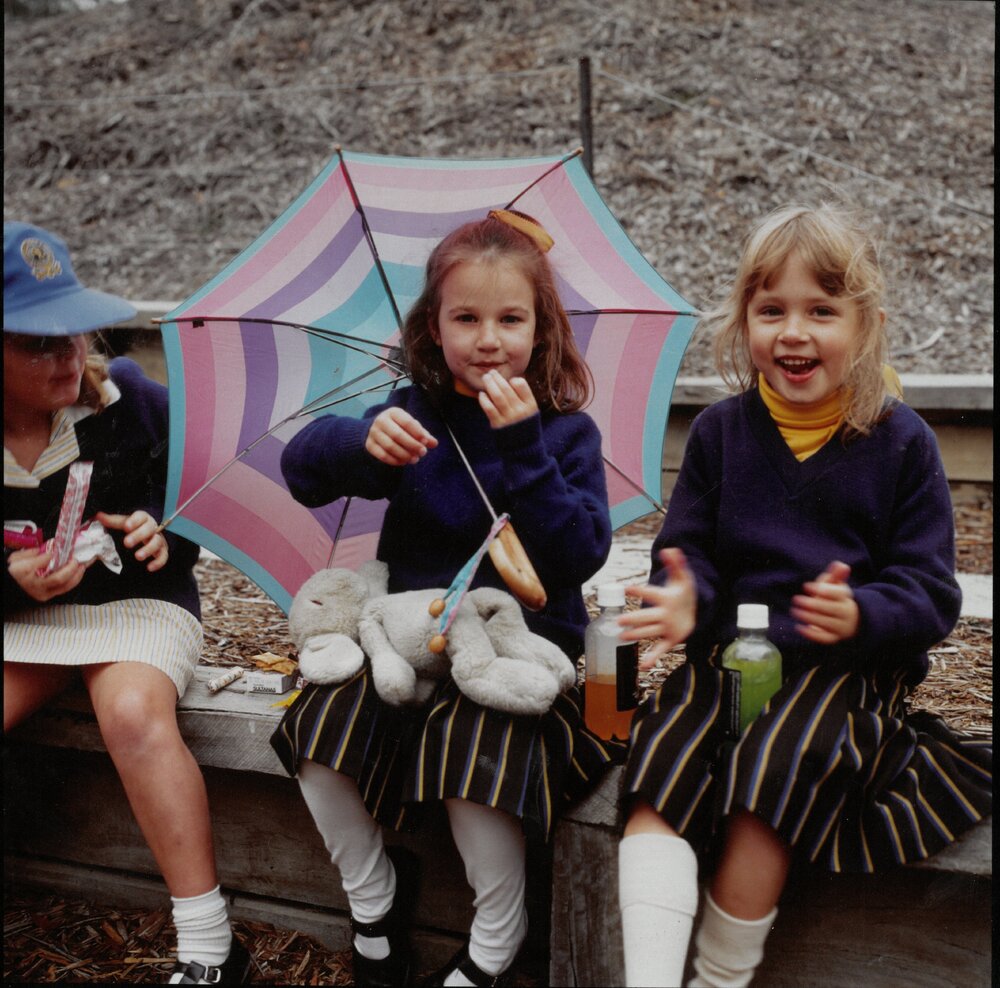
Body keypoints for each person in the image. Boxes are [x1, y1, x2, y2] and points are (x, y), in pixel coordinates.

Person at [615, 204, 992, 988]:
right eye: (771, 309)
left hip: (841, 674)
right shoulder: (721, 433)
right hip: (732, 655)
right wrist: (684, 597)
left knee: (771, 775)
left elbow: (930, 593)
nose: (794, 331)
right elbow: (690, 550)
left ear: (868, 325)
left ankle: (718, 978)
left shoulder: (900, 444)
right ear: (742, 320)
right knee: (661, 767)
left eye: (822, 311)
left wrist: (864, 614)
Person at [271, 209, 620, 987]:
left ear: (542, 328)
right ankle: (374, 898)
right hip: (411, 638)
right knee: (320, 716)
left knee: (474, 736)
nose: (488, 338)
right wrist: (357, 441)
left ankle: (497, 939)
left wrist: (525, 447)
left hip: (519, 648)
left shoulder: (564, 433)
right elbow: (303, 471)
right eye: (465, 317)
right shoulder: (415, 415)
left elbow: (576, 555)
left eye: (509, 318)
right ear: (434, 327)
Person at [3, 222, 251, 986]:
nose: (69, 356)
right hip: (24, 620)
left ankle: (210, 946)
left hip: (139, 605)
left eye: (75, 334)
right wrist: (11, 578)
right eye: (39, 343)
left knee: (134, 715)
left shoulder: (132, 402)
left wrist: (161, 532)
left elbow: (192, 515)